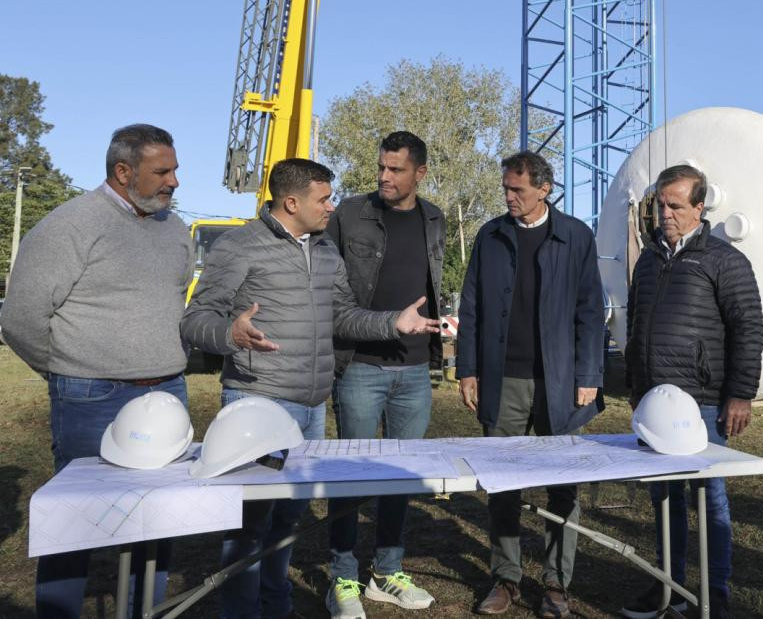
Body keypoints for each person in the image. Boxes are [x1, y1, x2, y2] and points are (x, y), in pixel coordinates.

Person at [181, 158, 439, 619]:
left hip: (312, 405)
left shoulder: (324, 251)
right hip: (256, 403)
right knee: (249, 525)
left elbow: (343, 315)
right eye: (324, 198)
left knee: (288, 520)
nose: (331, 207)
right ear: (292, 201)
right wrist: (230, 335)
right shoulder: (240, 246)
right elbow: (196, 319)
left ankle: (277, 606)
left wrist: (392, 322)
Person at [2, 124, 193, 618]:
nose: (175, 181)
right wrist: (67, 372)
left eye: (174, 168)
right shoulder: (70, 225)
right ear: (123, 171)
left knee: (159, 520)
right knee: (75, 524)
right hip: (90, 397)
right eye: (163, 171)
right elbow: (20, 320)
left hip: (167, 393)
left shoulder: (173, 228)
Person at [455, 151, 604, 618]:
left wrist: (589, 376)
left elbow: (589, 311)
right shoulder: (490, 235)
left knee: (563, 484)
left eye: (517, 189)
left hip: (560, 382)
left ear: (545, 189)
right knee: (502, 482)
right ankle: (506, 578)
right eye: (506, 188)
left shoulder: (575, 235)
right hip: (504, 380)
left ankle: (557, 584)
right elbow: (473, 306)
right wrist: (467, 369)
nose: (509, 197)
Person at [620, 164, 763, 619]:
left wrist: (739, 394)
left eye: (676, 206)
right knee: (664, 497)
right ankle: (670, 585)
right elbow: (637, 324)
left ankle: (716, 593)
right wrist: (636, 386)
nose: (665, 213)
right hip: (654, 401)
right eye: (660, 204)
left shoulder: (724, 260)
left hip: (701, 401)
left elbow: (748, 329)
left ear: (699, 208)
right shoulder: (647, 259)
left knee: (710, 495)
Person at [324, 132, 446, 617]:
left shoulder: (434, 217)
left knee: (401, 476)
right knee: (351, 475)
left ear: (420, 173)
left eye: (395, 169)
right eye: (381, 168)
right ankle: (344, 577)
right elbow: (331, 293)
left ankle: (387, 571)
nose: (384, 177)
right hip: (360, 366)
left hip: (414, 371)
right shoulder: (351, 214)